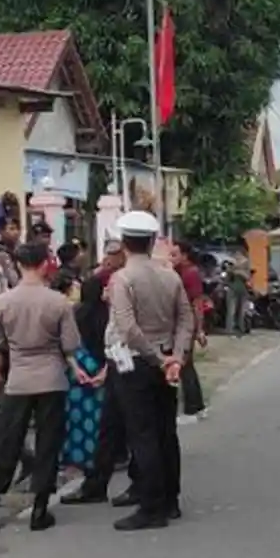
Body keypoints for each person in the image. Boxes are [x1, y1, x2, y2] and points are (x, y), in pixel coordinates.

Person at [0, 242, 82, 532]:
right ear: (45, 264)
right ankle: (41, 507)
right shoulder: (58, 302)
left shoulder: (4, 302)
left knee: (8, 442)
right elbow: (71, 344)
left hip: (18, 378)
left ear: (18, 265)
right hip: (52, 377)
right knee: (48, 443)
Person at [105, 211, 194, 531]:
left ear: (124, 243)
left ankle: (151, 506)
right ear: (153, 240)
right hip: (167, 359)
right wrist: (176, 357)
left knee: (143, 435)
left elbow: (127, 327)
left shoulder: (124, 279)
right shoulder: (170, 276)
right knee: (166, 431)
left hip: (137, 362)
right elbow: (186, 319)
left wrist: (156, 359)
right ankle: (171, 501)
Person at [58, 269, 109, 476]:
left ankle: (75, 458)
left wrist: (75, 366)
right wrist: (106, 370)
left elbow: (67, 343)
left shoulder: (74, 312)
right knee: (99, 416)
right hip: (101, 366)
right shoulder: (108, 314)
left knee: (75, 415)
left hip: (78, 366)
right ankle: (100, 455)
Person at [168, 240, 208, 422]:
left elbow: (197, 303)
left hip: (188, 323)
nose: (171, 258)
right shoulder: (173, 273)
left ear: (185, 256)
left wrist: (199, 329)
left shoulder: (191, 274)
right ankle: (194, 405)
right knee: (184, 363)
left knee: (185, 363)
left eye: (175, 254)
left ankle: (194, 406)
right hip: (175, 324)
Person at [224, 240, 252, 335]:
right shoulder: (231, 262)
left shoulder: (245, 262)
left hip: (241, 286)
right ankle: (231, 329)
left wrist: (237, 271)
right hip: (233, 286)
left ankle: (240, 327)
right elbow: (227, 276)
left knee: (241, 309)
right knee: (232, 309)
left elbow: (247, 276)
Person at [0, 214, 22, 289]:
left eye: (18, 229)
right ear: (1, 231)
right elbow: (13, 279)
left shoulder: (21, 249)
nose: (16, 232)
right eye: (12, 229)